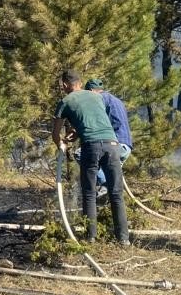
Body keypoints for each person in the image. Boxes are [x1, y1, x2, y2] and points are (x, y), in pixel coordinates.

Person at [53, 69, 131, 245]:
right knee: (116, 193)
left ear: (65, 84)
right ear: (80, 82)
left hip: (91, 147)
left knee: (89, 193)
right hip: (113, 146)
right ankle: (124, 239)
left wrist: (62, 145)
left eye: (62, 86)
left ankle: (91, 238)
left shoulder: (65, 101)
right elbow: (96, 121)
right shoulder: (97, 97)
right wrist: (77, 131)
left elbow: (55, 134)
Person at [85, 79, 133, 163]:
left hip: (114, 144)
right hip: (126, 145)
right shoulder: (117, 101)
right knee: (114, 173)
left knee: (80, 154)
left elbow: (93, 120)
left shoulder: (99, 98)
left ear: (91, 91)